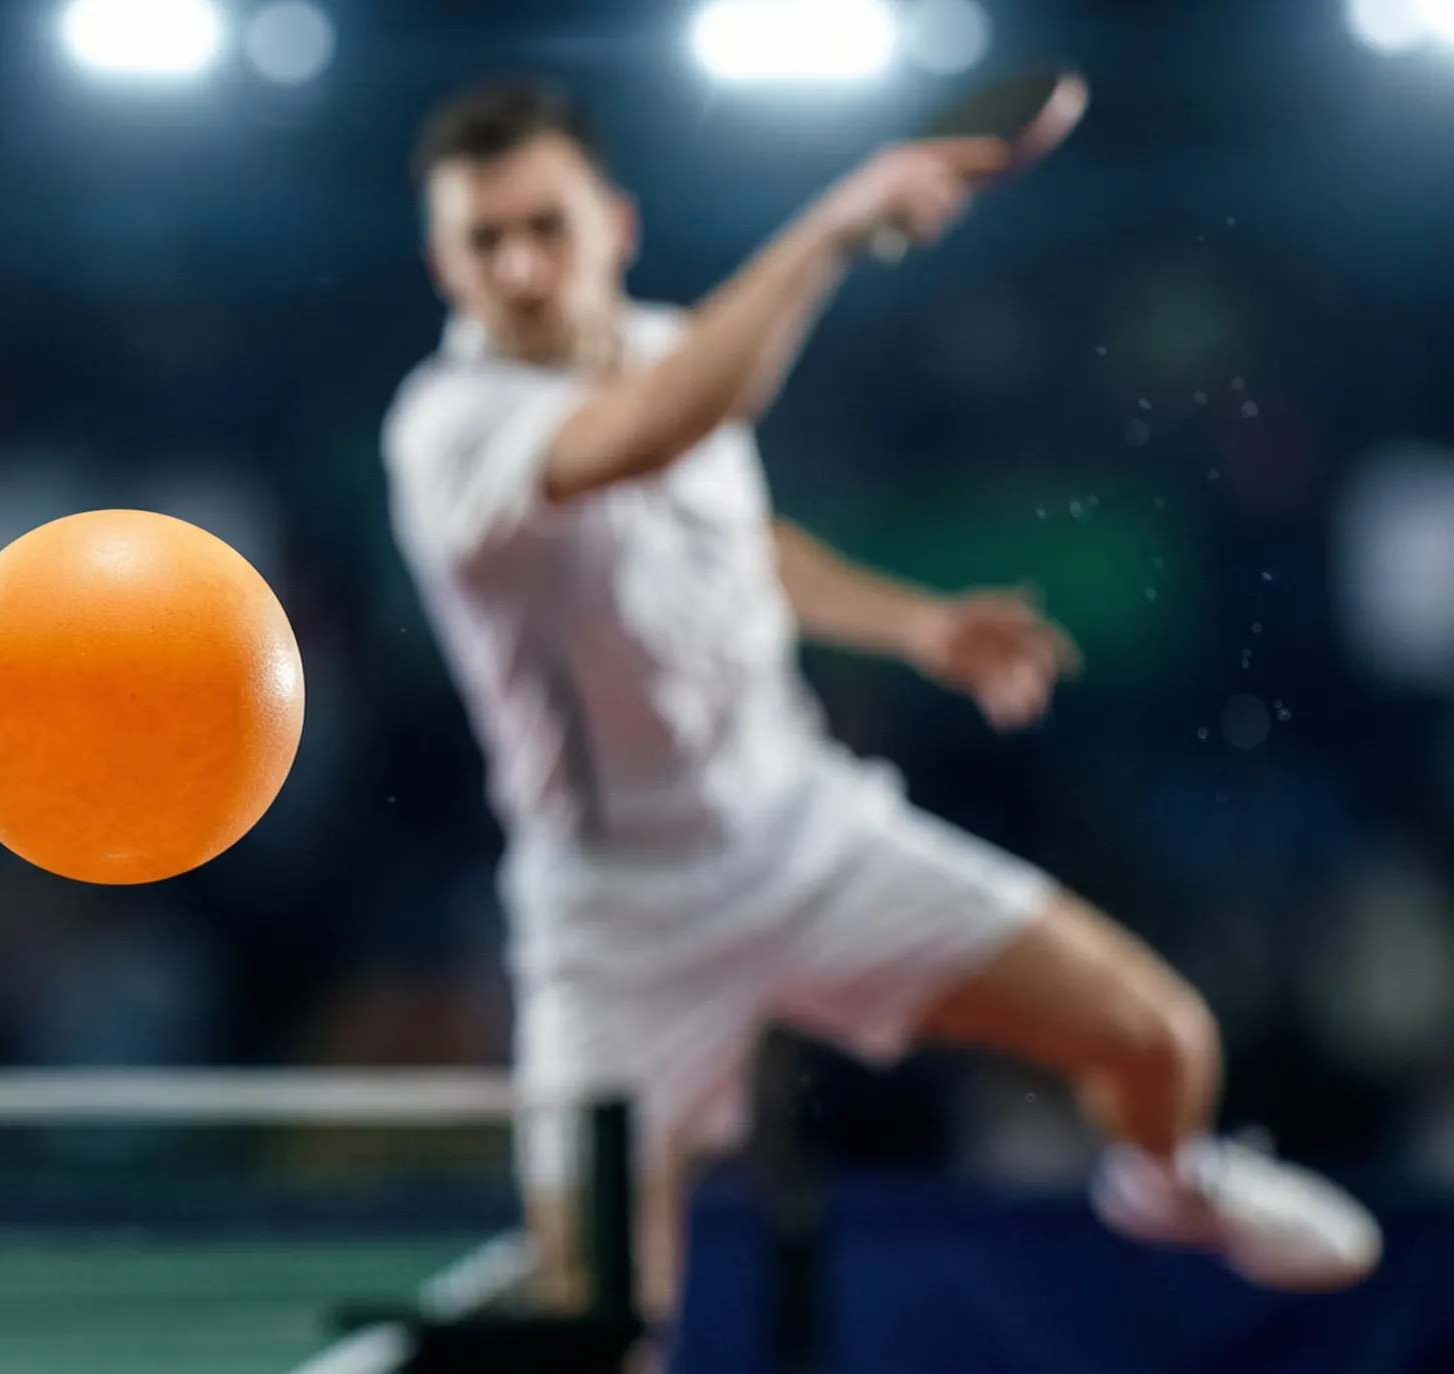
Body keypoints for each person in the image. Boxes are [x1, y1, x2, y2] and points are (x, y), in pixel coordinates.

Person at [379, 79, 1381, 1328]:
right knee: (597, 1332)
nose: (520, 266)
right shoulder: (446, 427)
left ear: (615, 227)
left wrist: (915, 625)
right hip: (612, 923)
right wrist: (834, 222)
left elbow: (737, 537)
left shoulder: (667, 341)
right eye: (483, 240)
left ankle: (1170, 1185)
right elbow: (661, 426)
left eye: (546, 226)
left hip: (805, 831)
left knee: (1161, 1042)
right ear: (442, 264)